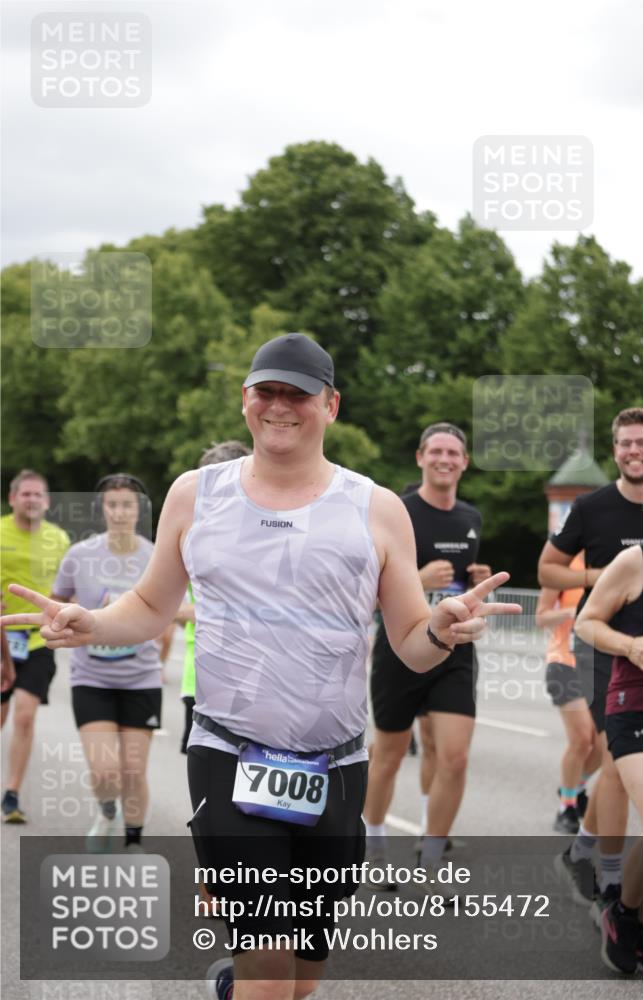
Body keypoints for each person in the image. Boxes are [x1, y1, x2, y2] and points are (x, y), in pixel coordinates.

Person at [1, 333, 520, 1000]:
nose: (279, 406)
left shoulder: (376, 508)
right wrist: (92, 624)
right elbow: (151, 606)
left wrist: (442, 632)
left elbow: (409, 641)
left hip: (333, 765)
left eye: (296, 394)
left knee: (303, 973)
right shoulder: (196, 495)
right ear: (244, 400)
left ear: (329, 405)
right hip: (228, 752)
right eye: (264, 391)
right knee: (269, 960)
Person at [538, 408, 643, 913]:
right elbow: (547, 570)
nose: (634, 451)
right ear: (615, 452)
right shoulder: (592, 508)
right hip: (603, 646)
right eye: (624, 444)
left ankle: (581, 853)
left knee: (619, 768)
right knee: (612, 757)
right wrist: (602, 579)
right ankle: (611, 882)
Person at [365, 422, 492, 875]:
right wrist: (417, 581)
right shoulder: (395, 511)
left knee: (453, 757)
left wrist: (477, 584)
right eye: (436, 451)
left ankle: (433, 860)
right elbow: (366, 583)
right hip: (400, 648)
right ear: (420, 457)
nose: (445, 459)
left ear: (464, 462)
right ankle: (374, 847)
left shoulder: (471, 518)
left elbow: (461, 583)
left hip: (455, 650)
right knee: (389, 756)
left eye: (453, 452)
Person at [576, 469, 643, 976]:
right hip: (637, 708)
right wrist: (631, 645)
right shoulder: (636, 561)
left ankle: (630, 922)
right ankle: (625, 918)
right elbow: (587, 621)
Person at [51, 474, 169, 852]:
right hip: (92, 677)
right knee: (105, 772)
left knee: (133, 771)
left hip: (141, 678)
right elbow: (56, 603)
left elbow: (169, 609)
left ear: (139, 509)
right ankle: (106, 811)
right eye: (112, 505)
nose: (119, 513)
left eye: (127, 505)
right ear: (102, 509)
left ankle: (133, 840)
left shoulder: (156, 556)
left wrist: (157, 636)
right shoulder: (80, 555)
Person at [0, 470, 69, 823]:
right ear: (12, 499)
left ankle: (11, 793)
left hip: (40, 640)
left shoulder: (58, 539)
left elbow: (66, 587)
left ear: (47, 501)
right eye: (25, 494)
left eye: (37, 495)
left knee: (25, 716)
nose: (31, 500)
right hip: (1, 640)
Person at [177, 441, 251, 755]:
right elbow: (165, 606)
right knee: (212, 789)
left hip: (264, 683)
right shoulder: (192, 536)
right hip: (202, 680)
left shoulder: (278, 533)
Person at [535, 552, 603, 834]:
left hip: (601, 663)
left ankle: (576, 787)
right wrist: (571, 614)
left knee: (603, 745)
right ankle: (567, 807)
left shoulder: (617, 558)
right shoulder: (562, 565)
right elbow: (541, 616)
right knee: (581, 737)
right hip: (564, 661)